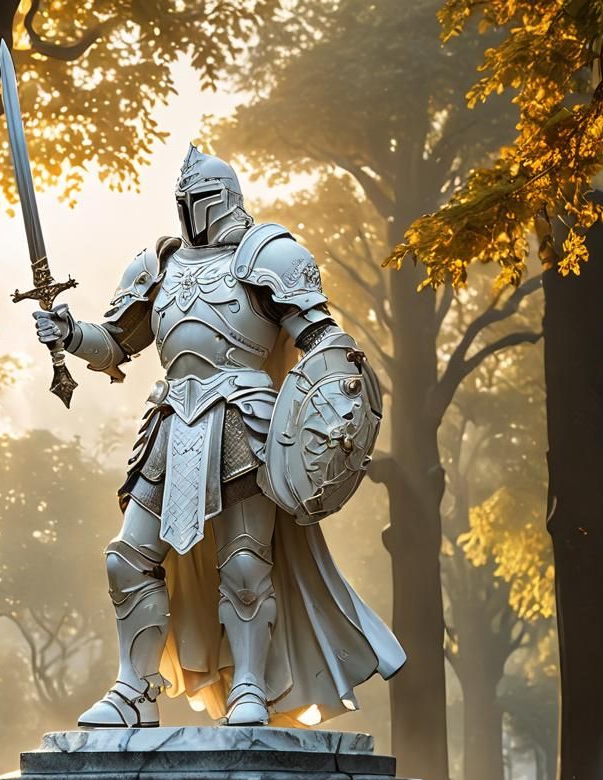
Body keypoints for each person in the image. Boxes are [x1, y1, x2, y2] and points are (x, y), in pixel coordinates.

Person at [33, 144, 405, 729]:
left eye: (201, 197)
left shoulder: (269, 255)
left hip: (245, 422)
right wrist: (70, 333)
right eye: (183, 199)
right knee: (126, 560)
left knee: (245, 565)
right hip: (169, 422)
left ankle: (250, 687)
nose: (190, 209)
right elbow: (116, 343)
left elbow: (324, 345)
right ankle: (134, 690)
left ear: (226, 198)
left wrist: (333, 421)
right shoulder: (157, 264)